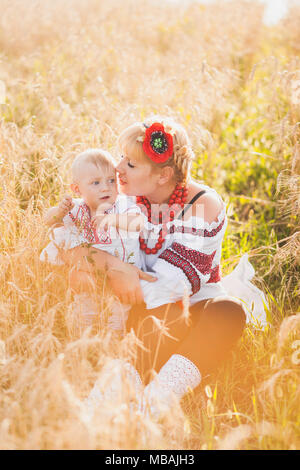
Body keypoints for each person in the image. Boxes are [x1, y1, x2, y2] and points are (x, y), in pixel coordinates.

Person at [67, 118, 266, 419]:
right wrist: (113, 265)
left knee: (227, 312)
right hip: (143, 313)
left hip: (191, 304)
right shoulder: (123, 196)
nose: (118, 168)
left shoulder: (204, 206)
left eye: (131, 163)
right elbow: (69, 244)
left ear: (164, 175)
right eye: (121, 157)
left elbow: (167, 286)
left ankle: (151, 407)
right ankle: (101, 406)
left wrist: (108, 271)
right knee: (165, 314)